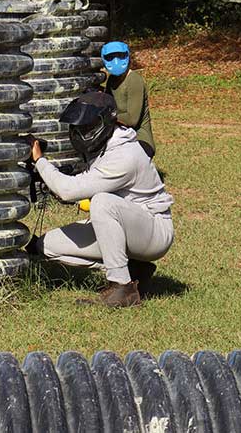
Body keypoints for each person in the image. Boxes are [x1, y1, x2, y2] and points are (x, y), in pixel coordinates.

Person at [26, 91, 173, 307]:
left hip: (154, 233)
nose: (79, 133)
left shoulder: (125, 155)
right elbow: (79, 185)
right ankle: (133, 270)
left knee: (103, 203)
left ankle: (122, 288)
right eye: (76, 128)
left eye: (85, 127)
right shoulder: (105, 147)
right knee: (46, 246)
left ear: (105, 122)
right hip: (127, 227)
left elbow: (68, 190)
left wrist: (40, 160)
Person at [99, 41, 156, 158]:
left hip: (139, 138)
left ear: (127, 57)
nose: (116, 60)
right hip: (118, 135)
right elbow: (108, 104)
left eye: (119, 56)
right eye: (111, 57)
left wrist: (107, 117)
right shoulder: (112, 80)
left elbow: (131, 120)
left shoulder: (134, 80)